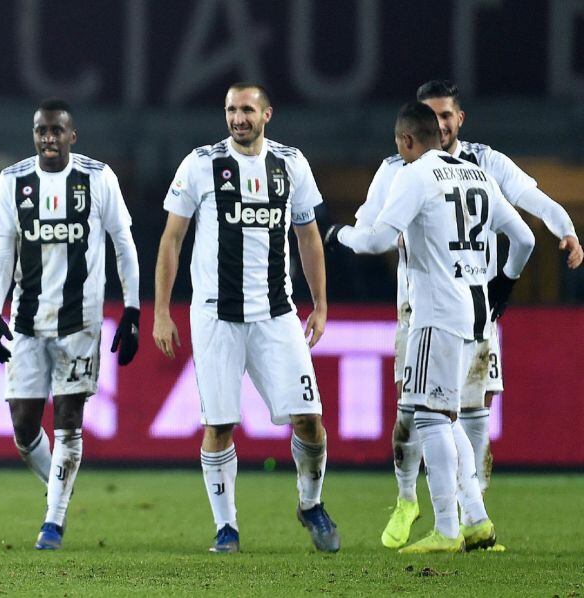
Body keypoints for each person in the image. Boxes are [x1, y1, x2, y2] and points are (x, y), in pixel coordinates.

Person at [354, 80, 580, 549]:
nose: (439, 124)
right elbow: (368, 222)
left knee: (468, 413)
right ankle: (408, 501)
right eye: (431, 116)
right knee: (414, 413)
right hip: (418, 304)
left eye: (446, 115)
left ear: (460, 119)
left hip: (466, 306)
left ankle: (466, 515)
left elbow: (532, 198)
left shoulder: (483, 163)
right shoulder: (397, 168)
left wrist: (567, 228)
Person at [326, 101, 535, 553]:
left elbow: (378, 239)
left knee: (428, 417)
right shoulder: (477, 174)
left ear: (406, 141)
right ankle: (476, 519)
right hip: (478, 314)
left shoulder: (414, 174)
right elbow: (525, 238)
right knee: (448, 416)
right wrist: (505, 282)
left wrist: (337, 235)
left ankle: (445, 528)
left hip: (436, 313)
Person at [153, 83, 338, 554]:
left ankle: (311, 504)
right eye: (232, 109)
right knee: (218, 425)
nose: (238, 117)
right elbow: (172, 239)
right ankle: (226, 529)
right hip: (215, 315)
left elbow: (309, 236)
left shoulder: (291, 164)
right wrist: (161, 311)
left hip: (277, 314)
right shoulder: (200, 164)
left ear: (267, 114)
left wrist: (319, 304)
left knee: (310, 420)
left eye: (247, 109)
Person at [0, 99, 141, 550]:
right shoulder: (13, 182)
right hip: (28, 322)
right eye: (41, 132)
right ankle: (60, 487)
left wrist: (132, 311)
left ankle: (53, 520)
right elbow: (3, 253)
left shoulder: (97, 178)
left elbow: (123, 243)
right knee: (22, 426)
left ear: (73, 135)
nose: (48, 139)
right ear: (34, 135)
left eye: (57, 131)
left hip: (81, 322)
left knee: (69, 420)